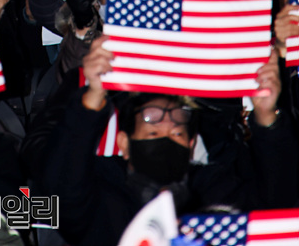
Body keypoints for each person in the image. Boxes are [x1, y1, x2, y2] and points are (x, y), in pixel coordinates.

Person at [41, 37, 298, 246]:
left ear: (191, 145)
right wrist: (93, 97)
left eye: (177, 133)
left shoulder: (215, 190)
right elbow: (61, 189)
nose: (166, 129)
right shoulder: (102, 194)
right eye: (152, 132)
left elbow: (277, 203)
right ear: (124, 143)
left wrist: (267, 118)